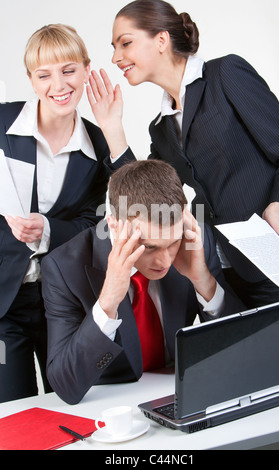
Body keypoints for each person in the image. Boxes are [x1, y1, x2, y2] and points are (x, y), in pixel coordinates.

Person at [91, 0, 279, 309]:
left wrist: (276, 207)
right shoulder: (161, 128)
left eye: (125, 43)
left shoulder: (225, 74)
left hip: (277, 257)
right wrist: (112, 128)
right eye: (114, 47)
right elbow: (145, 197)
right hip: (223, 273)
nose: (115, 57)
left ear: (161, 40)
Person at [0, 24, 132, 403]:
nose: (58, 84)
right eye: (44, 75)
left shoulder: (96, 140)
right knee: (13, 416)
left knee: (76, 402)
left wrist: (112, 128)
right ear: (31, 79)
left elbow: (137, 206)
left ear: (87, 70)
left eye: (69, 70)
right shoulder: (2, 125)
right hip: (4, 304)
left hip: (62, 301)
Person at [42, 159, 245, 405]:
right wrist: (107, 302)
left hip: (181, 395)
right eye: (149, 246)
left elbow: (242, 348)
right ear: (115, 224)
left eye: (173, 242)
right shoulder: (63, 268)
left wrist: (203, 280)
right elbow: (66, 385)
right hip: (112, 407)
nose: (164, 260)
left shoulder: (195, 241)